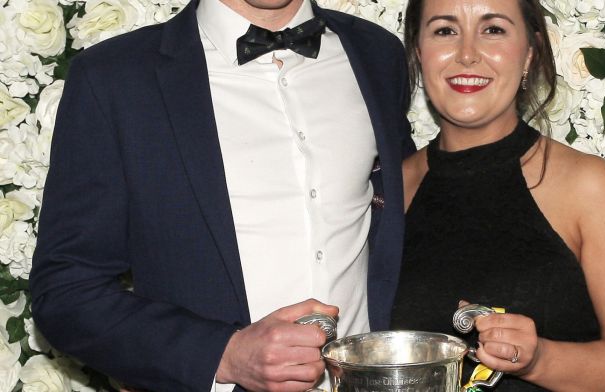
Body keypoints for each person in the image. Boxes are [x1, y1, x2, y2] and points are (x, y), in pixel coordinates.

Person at [28, 0, 415, 390]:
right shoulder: (114, 77)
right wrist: (222, 354)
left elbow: (403, 216)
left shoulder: (376, 53)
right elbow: (67, 291)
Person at [390, 0, 605, 390]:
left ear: (530, 53)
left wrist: (540, 359)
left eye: (493, 30)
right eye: (445, 30)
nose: (467, 53)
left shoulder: (586, 184)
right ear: (419, 52)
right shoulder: (392, 189)